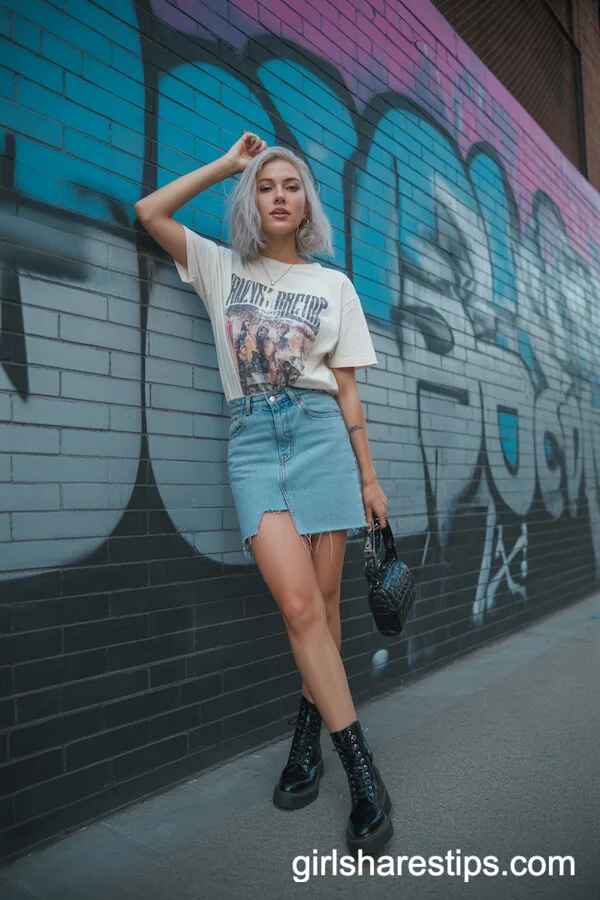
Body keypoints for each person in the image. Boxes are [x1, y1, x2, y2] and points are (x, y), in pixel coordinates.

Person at [134, 131, 393, 856]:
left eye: (291, 186)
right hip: (252, 441)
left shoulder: (333, 286)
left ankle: (310, 742)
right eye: (267, 186)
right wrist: (227, 165)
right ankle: (364, 772)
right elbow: (149, 211)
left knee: (326, 608)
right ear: (253, 200)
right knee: (300, 607)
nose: (279, 196)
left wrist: (370, 476)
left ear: (307, 202)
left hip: (321, 438)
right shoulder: (221, 266)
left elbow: (347, 391)